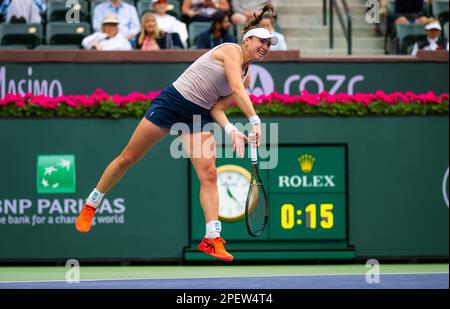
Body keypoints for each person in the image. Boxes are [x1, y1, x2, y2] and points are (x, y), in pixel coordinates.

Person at [75, 4, 278, 263]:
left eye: (269, 44)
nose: (265, 47)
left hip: (198, 115)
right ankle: (91, 204)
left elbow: (217, 107)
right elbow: (237, 90)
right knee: (128, 158)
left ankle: (212, 238)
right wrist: (255, 120)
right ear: (247, 39)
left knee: (209, 174)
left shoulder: (247, 75)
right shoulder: (230, 51)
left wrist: (230, 130)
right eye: (261, 41)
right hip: (172, 103)